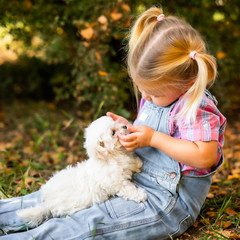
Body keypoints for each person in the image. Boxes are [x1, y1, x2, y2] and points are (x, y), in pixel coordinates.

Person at [0, 7, 226, 240]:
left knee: (84, 226)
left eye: (154, 94)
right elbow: (153, 137)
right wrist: (132, 133)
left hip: (163, 203)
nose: (146, 99)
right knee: (46, 199)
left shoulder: (196, 107)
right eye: (143, 90)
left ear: (187, 81)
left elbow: (204, 156)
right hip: (131, 182)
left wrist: (153, 138)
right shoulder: (161, 93)